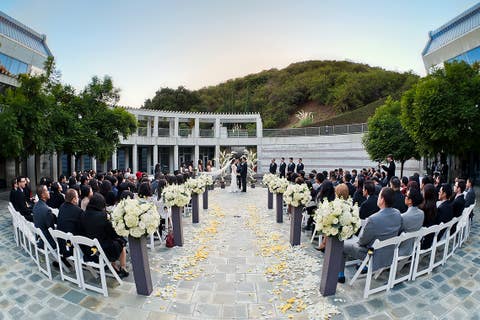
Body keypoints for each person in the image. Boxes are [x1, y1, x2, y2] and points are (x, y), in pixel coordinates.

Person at [339, 187, 402, 283]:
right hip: (389, 253)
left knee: (342, 245)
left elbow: (362, 241)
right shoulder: (398, 214)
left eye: (379, 196)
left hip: (373, 255)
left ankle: (340, 275)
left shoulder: (373, 219)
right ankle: (363, 266)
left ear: (382, 200)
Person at [80, 193, 129, 278]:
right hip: (102, 250)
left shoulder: (83, 214)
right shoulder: (103, 216)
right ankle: (123, 267)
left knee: (112, 240)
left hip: (88, 249)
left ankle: (114, 266)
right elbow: (113, 233)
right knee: (121, 242)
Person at [57, 189, 84, 257]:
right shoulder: (78, 211)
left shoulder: (61, 207)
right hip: (72, 246)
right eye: (77, 197)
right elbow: (81, 230)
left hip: (61, 244)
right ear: (74, 199)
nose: (78, 199)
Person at [398, 188, 424, 256]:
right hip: (413, 247)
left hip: (400, 249)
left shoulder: (403, 217)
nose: (404, 197)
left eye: (406, 195)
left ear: (410, 201)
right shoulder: (422, 213)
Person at [33, 185, 56, 249]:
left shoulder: (35, 206)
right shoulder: (47, 210)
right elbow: (52, 230)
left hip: (40, 238)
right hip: (47, 242)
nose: (49, 192)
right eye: (47, 190)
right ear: (43, 195)